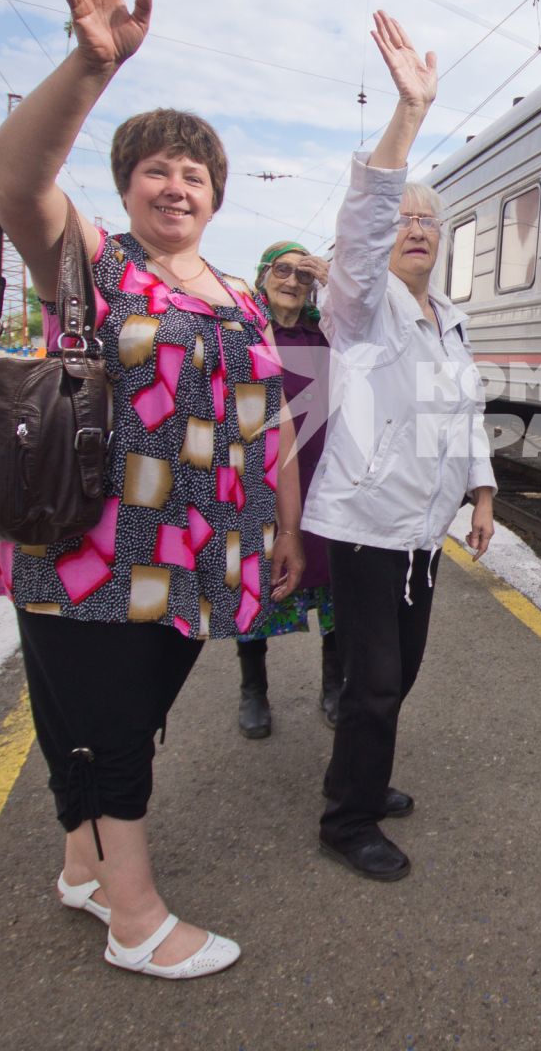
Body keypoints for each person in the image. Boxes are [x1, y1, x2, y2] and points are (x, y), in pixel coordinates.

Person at [0, 0, 302, 980]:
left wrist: (289, 524)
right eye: (155, 168)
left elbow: (274, 420)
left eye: (194, 170)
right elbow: (15, 175)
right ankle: (136, 917)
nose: (176, 183)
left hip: (205, 546)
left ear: (218, 191)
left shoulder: (246, 298)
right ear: (126, 186)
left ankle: (82, 862)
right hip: (90, 540)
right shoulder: (92, 263)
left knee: (121, 715)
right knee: (110, 727)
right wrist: (92, 63)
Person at [305, 11, 496, 882]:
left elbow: (466, 416)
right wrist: (409, 118)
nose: (415, 226)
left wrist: (482, 493)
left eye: (429, 218)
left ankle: (363, 777)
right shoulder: (362, 306)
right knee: (377, 680)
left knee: (399, 674)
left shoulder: (449, 320)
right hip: (367, 522)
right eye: (405, 217)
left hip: (423, 530)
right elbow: (366, 219)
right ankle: (347, 820)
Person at [232, 240, 338, 739]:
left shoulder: (326, 333)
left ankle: (334, 685)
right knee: (256, 584)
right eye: (281, 270)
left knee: (338, 588)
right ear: (262, 275)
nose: (292, 281)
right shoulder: (244, 330)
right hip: (259, 480)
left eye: (303, 274)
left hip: (323, 477)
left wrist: (336, 281)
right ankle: (253, 689)